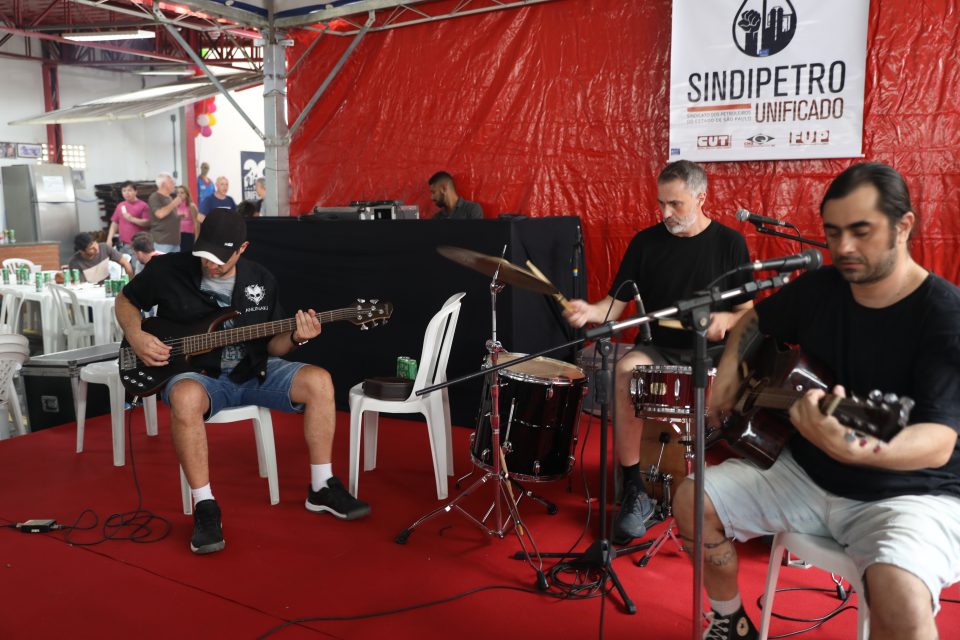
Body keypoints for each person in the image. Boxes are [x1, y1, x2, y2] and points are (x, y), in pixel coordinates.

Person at [673, 162, 960, 640]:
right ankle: (730, 621)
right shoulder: (821, 287)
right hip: (804, 475)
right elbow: (753, 322)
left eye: (861, 231)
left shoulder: (943, 315)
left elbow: (935, 442)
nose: (843, 247)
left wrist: (855, 448)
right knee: (691, 498)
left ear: (904, 225)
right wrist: (726, 380)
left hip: (908, 492)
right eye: (832, 232)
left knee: (903, 604)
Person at [115, 209, 371, 555]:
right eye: (205, 256)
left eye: (220, 259)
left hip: (253, 370)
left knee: (320, 381)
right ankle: (205, 505)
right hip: (199, 376)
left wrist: (297, 337)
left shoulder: (260, 280)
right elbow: (126, 300)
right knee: (186, 398)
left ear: (243, 248)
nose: (211, 265)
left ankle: (321, 486)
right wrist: (136, 335)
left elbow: (275, 344)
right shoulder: (168, 270)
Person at [564, 160, 753, 545]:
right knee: (624, 371)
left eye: (676, 204)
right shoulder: (645, 243)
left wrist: (725, 319)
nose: (665, 213)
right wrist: (590, 311)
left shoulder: (730, 243)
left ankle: (726, 493)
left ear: (701, 198)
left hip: (712, 354)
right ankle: (634, 490)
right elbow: (614, 307)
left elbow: (748, 311)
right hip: (660, 349)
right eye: (661, 203)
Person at [105, 181, 151, 266]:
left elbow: (147, 223)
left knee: (137, 268)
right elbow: (114, 223)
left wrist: (131, 218)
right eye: (124, 191)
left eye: (129, 190)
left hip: (137, 245)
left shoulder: (143, 205)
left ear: (135, 191)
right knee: (124, 268)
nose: (127, 193)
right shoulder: (120, 205)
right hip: (122, 244)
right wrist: (109, 239)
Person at [68, 232, 134, 283]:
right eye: (91, 248)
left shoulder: (104, 248)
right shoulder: (75, 262)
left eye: (96, 243)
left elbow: (125, 263)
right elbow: (79, 283)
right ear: (82, 251)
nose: (96, 248)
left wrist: (131, 283)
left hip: (107, 286)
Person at [148, 172, 184, 254]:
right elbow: (160, 214)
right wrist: (174, 203)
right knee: (162, 265)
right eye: (171, 181)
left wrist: (179, 217)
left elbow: (169, 215)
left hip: (174, 241)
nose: (174, 183)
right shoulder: (155, 197)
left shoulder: (169, 198)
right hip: (162, 242)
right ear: (163, 184)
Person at [175, 185, 201, 253]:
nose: (179, 194)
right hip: (178, 235)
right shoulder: (175, 206)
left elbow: (196, 223)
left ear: (187, 194)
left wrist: (197, 238)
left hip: (188, 235)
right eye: (178, 193)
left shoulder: (191, 206)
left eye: (182, 192)